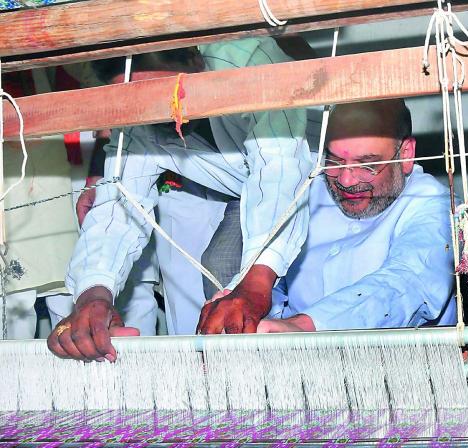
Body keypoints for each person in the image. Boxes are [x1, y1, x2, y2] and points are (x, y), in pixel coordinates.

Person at [47, 37, 312, 361]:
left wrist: (257, 282)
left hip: (333, 171)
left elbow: (281, 172)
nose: (159, 115)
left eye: (166, 97)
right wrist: (93, 294)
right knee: (226, 282)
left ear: (194, 59)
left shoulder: (246, 61)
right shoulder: (134, 103)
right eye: (143, 108)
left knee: (260, 285)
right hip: (246, 189)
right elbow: (119, 202)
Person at [204, 99, 456, 332]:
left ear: (406, 154)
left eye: (366, 164)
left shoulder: (434, 204)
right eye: (334, 161)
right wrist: (244, 303)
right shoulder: (308, 191)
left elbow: (407, 284)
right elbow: (275, 279)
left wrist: (305, 326)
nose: (346, 180)